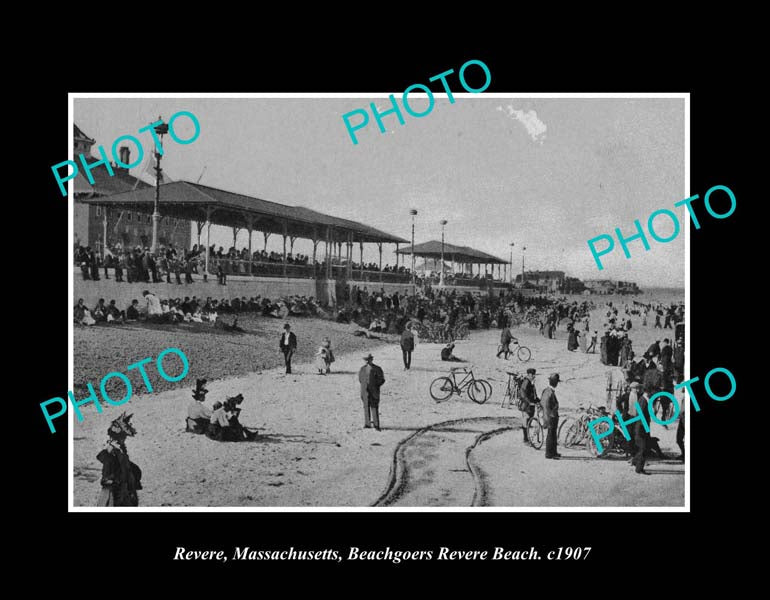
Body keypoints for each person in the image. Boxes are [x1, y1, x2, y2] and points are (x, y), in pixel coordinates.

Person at [96, 413, 142, 506]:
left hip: (124, 489)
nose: (123, 439)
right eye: (122, 437)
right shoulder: (111, 450)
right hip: (116, 490)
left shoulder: (120, 449)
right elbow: (106, 461)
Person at [630, 384, 654, 474]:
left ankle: (635, 461)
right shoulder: (643, 400)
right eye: (651, 392)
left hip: (643, 427)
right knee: (643, 448)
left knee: (645, 447)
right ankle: (639, 469)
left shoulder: (644, 399)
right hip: (641, 428)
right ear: (648, 392)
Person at [358, 353, 385, 430]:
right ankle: (367, 423)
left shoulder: (377, 369)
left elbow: (382, 380)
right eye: (365, 360)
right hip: (364, 391)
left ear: (371, 360)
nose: (366, 361)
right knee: (366, 407)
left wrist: (375, 386)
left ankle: (376, 424)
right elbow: (360, 379)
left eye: (368, 360)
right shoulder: (362, 369)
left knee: (374, 407)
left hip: (374, 391)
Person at [542, 373, 561, 459]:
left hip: (552, 416)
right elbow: (546, 406)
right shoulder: (549, 392)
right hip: (551, 417)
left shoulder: (548, 391)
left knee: (553, 434)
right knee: (551, 435)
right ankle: (549, 453)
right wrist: (547, 418)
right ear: (555, 383)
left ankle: (553, 452)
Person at [518, 368, 538, 443]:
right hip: (526, 406)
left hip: (531, 406)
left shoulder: (531, 382)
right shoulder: (526, 382)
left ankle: (527, 439)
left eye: (534, 375)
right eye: (533, 375)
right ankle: (525, 439)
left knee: (528, 422)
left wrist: (538, 401)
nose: (534, 376)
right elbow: (522, 394)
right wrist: (529, 402)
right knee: (525, 422)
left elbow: (534, 395)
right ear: (529, 375)